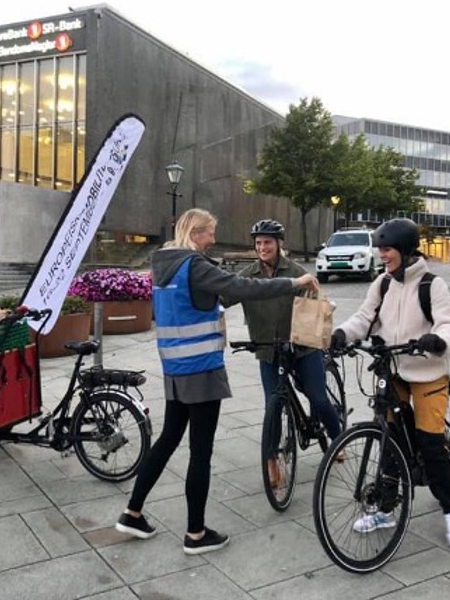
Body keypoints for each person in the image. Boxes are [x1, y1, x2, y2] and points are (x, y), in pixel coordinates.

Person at [116, 208, 320, 555]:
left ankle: (132, 512)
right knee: (201, 452)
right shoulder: (194, 265)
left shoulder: (164, 267)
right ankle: (195, 533)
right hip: (202, 369)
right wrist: (293, 282)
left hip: (175, 368)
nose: (213, 239)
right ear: (195, 233)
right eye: (210, 232)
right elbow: (241, 287)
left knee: (167, 440)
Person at [329, 218, 450, 547]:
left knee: (431, 443)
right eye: (380, 250)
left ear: (405, 250)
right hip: (392, 369)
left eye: (387, 249)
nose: (382, 255)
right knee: (388, 438)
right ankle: (385, 508)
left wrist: (437, 340)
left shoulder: (432, 285)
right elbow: (364, 318)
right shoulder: (382, 284)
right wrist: (342, 334)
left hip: (427, 373)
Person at [225, 219, 342, 487]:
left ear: (279, 244)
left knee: (318, 398)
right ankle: (271, 462)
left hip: (302, 349)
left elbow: (314, 307)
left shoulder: (297, 272)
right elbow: (224, 298)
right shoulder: (247, 276)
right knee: (272, 407)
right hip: (268, 352)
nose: (262, 247)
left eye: (267, 242)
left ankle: (338, 440)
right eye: (258, 243)